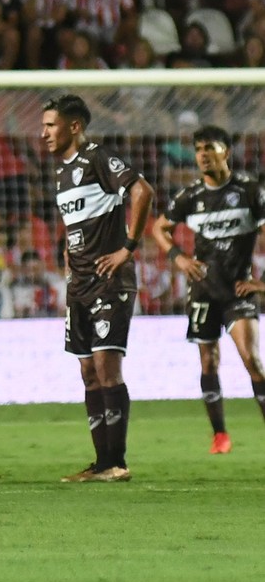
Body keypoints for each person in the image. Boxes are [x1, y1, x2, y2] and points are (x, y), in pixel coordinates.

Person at [41, 93, 153, 483]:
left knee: (107, 369)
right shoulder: (61, 172)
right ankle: (101, 462)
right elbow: (76, 227)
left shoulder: (98, 159)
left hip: (109, 279)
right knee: (88, 372)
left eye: (50, 125)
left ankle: (117, 461)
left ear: (74, 126)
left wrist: (128, 248)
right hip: (80, 284)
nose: (44, 134)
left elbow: (142, 191)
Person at [150, 125, 265, 454]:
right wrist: (179, 258)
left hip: (238, 290)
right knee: (208, 361)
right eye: (198, 149)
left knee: (252, 360)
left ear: (225, 152)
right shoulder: (190, 196)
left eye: (209, 148)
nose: (202, 155)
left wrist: (260, 284)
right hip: (202, 291)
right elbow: (160, 228)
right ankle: (220, 435)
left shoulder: (250, 191)